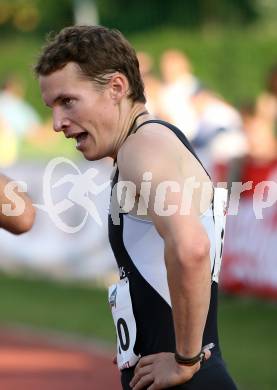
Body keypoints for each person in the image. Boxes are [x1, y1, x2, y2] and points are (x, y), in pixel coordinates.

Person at [35, 25, 237, 390]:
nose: (57, 123)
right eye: (51, 107)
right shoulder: (151, 141)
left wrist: (185, 359)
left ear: (116, 88)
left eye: (68, 101)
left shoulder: (141, 147)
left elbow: (191, 248)